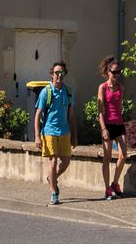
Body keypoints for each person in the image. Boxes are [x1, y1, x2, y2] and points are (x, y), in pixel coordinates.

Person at [34, 61, 77, 205]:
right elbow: (38, 114)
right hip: (49, 131)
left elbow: (71, 116)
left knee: (66, 161)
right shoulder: (46, 92)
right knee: (53, 161)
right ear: (52, 75)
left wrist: (75, 136)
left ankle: (52, 178)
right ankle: (54, 192)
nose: (59, 75)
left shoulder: (68, 92)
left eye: (62, 73)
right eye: (56, 73)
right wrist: (36, 136)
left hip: (64, 132)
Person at [97, 54, 128, 199]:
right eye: (114, 72)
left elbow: (119, 106)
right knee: (107, 157)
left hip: (119, 124)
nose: (116, 75)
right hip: (108, 125)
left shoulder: (121, 87)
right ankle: (106, 189)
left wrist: (120, 121)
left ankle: (115, 183)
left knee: (123, 155)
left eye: (118, 72)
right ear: (108, 72)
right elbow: (100, 111)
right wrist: (103, 129)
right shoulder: (102, 88)